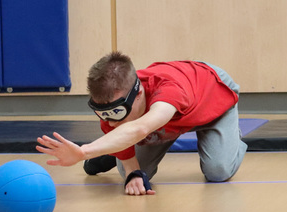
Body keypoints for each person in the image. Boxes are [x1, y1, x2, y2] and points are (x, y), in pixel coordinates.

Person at [37, 52, 247, 196]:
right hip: (164, 119)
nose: (110, 121)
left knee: (218, 171)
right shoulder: (113, 108)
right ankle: (111, 150)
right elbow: (132, 157)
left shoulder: (169, 90)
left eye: (116, 112)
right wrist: (133, 174)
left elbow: (139, 128)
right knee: (131, 174)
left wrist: (84, 151)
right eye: (103, 113)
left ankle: (230, 141)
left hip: (212, 99)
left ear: (138, 94)